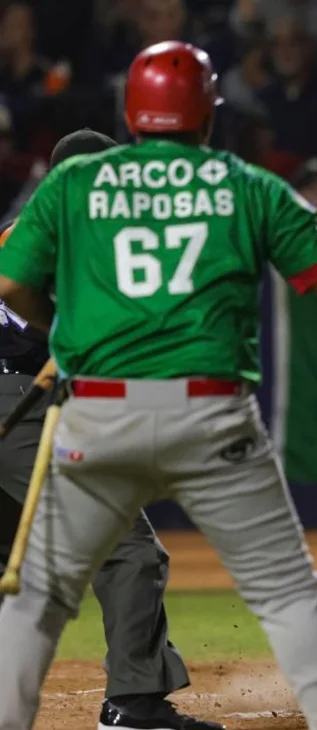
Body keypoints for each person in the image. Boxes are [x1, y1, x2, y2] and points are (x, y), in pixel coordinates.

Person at [0, 41, 317, 729]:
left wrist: (63, 328)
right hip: (197, 409)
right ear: (207, 116)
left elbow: (11, 282)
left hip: (86, 411)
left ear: (133, 118)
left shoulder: (66, 196)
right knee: (281, 591)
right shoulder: (242, 186)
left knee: (38, 590)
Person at [0, 129, 220, 730]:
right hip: (22, 402)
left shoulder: (20, 229)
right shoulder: (77, 233)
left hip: (19, 401)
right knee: (128, 552)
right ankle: (134, 705)